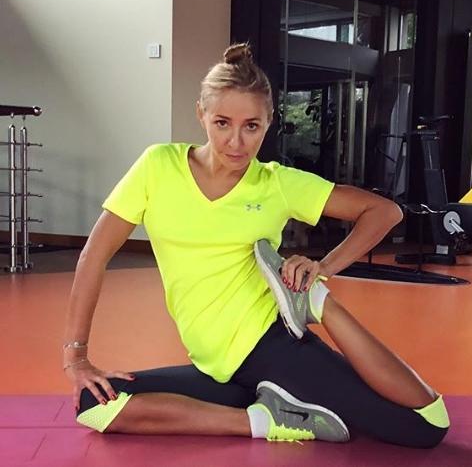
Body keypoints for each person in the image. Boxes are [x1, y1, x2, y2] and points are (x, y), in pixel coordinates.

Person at [63, 43, 449, 446]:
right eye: (222, 123)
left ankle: (316, 303)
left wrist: (323, 270)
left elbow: (384, 212)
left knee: (425, 426)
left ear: (269, 123)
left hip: (273, 346)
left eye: (251, 126)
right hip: (215, 365)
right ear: (201, 114)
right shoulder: (157, 167)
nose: (236, 142)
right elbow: (94, 255)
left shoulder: (277, 183)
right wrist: (76, 358)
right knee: (94, 403)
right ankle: (265, 420)